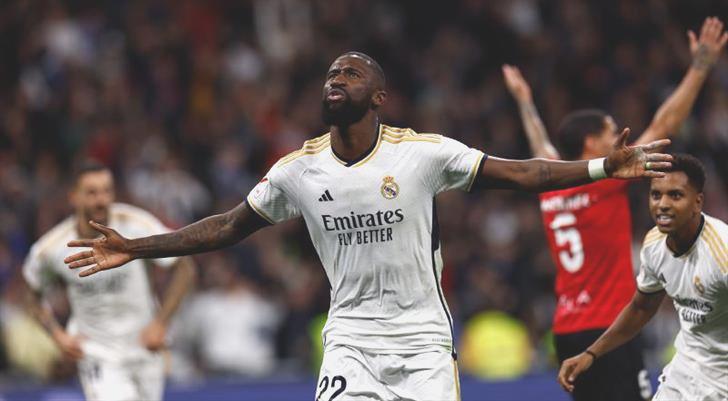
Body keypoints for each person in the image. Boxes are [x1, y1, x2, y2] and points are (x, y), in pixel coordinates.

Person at [64, 51, 672, 401]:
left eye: (352, 75)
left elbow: (524, 173)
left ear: (379, 97)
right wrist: (137, 247)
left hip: (423, 341)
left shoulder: (423, 154)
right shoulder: (298, 170)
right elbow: (227, 226)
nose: (337, 80)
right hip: (351, 341)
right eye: (332, 74)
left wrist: (602, 167)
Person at [502, 17, 727, 401]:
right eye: (610, 131)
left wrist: (525, 102)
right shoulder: (606, 180)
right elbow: (665, 124)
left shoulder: (550, 187)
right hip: (610, 326)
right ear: (591, 144)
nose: (618, 138)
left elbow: (542, 149)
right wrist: (700, 67)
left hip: (566, 328)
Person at [558, 154, 728, 401]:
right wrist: (591, 354)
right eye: (656, 195)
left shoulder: (722, 252)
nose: (663, 204)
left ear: (697, 202)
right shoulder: (654, 244)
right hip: (686, 372)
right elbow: (641, 308)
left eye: (675, 195)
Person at [23, 162, 196, 401]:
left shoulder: (136, 225)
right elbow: (32, 294)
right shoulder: (51, 248)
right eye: (92, 192)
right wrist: (57, 334)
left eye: (106, 191)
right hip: (96, 352)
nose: (101, 200)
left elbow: (184, 267)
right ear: (74, 196)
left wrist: (161, 323)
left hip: (144, 345)